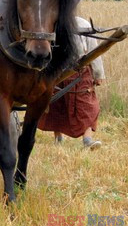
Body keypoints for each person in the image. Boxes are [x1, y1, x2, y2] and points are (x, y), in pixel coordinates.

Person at [38, 15, 105, 150]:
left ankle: (87, 140)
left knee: (86, 106)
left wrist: (98, 74)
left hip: (81, 72)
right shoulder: (50, 23)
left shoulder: (83, 23)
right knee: (56, 105)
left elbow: (94, 51)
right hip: (56, 71)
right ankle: (58, 138)